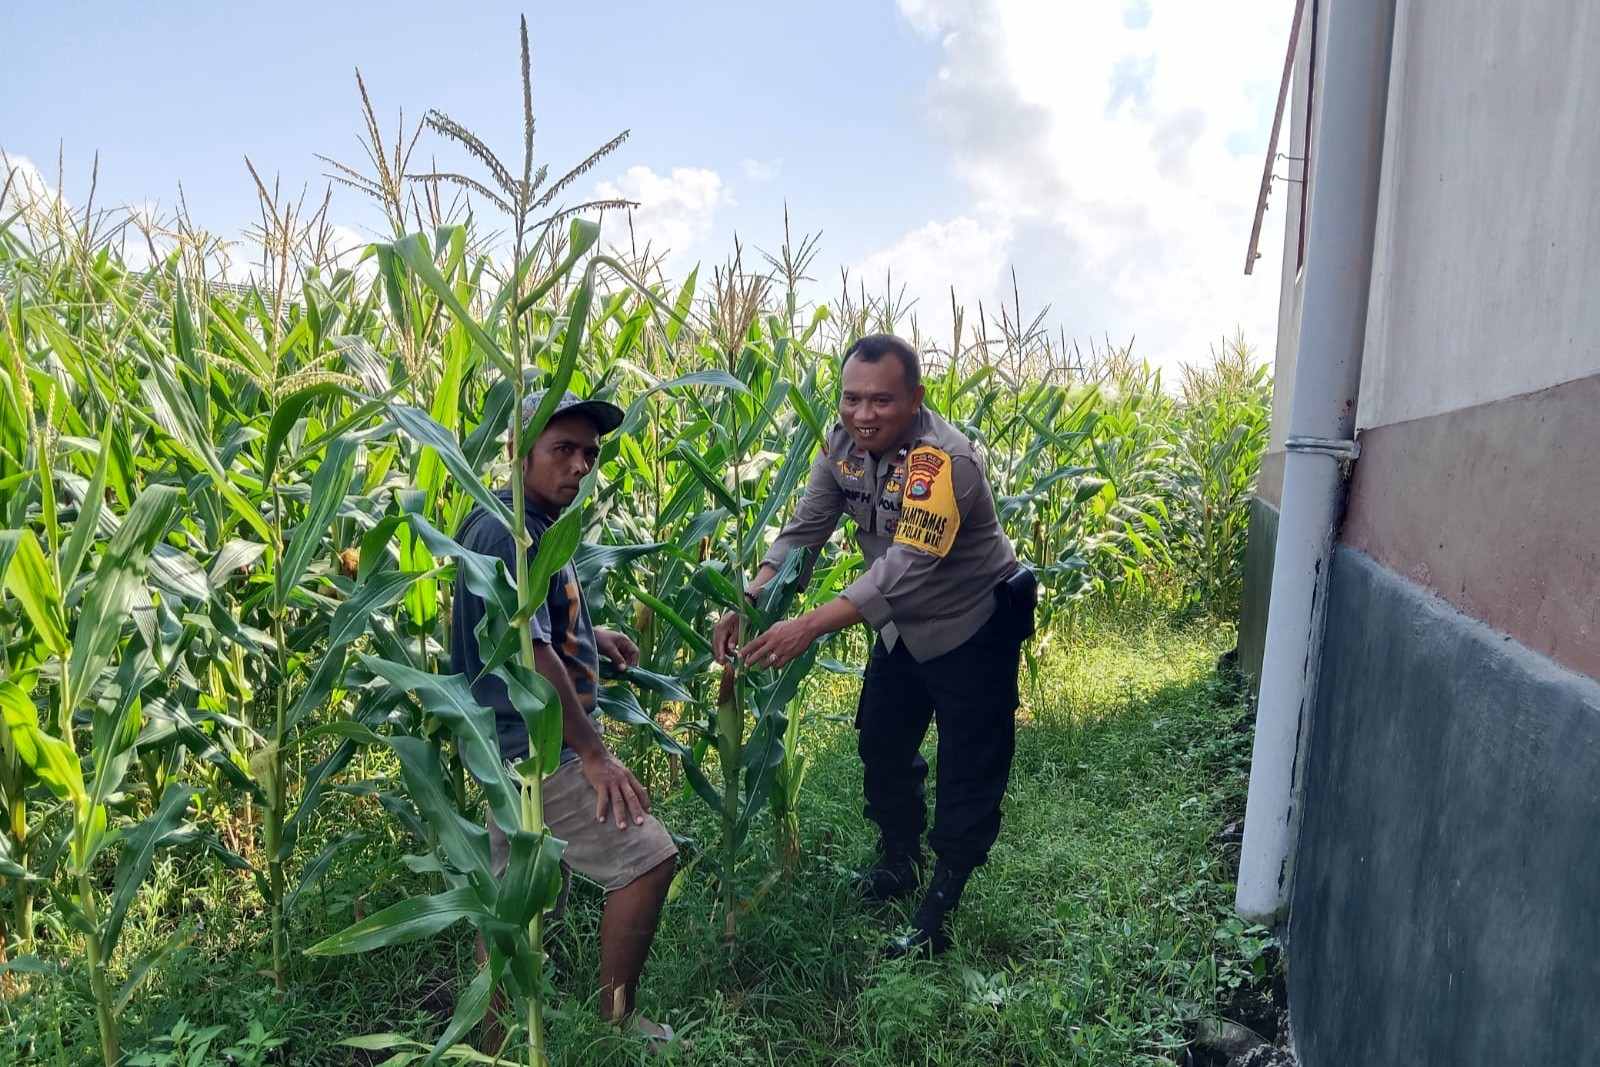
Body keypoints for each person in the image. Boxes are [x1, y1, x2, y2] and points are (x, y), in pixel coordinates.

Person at [713, 333, 1035, 957]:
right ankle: (899, 860)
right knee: (881, 743)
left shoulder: (944, 461)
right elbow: (803, 534)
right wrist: (752, 598)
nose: (863, 415)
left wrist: (808, 626)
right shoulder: (842, 449)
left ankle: (941, 903)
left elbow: (905, 568)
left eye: (881, 401)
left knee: (968, 766)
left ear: (915, 398)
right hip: (901, 629)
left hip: (973, 625)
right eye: (851, 399)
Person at [451, 389, 678, 1045]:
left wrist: (590, 633)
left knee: (508, 901)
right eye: (563, 449)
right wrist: (595, 753)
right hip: (539, 746)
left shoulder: (525, 523)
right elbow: (534, 656)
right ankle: (619, 1019)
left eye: (589, 453)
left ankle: (492, 1040)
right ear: (520, 451)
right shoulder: (509, 529)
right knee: (648, 858)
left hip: (505, 744)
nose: (579, 465)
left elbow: (529, 625)